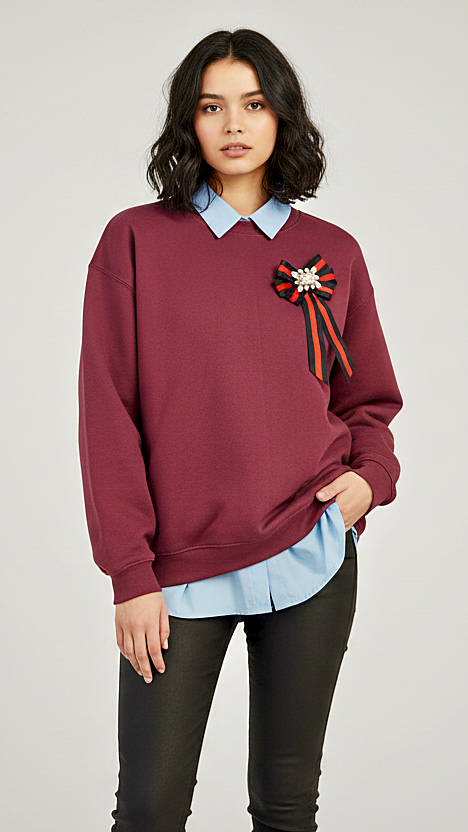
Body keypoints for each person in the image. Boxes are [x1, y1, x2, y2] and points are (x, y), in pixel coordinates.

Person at [78, 27, 403, 832]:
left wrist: (369, 481)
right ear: (187, 121)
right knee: (150, 810)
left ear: (281, 116)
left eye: (254, 105)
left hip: (312, 553)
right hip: (176, 570)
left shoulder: (333, 253)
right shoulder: (134, 241)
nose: (233, 124)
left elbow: (368, 401)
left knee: (287, 809)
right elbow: (107, 413)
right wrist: (131, 573)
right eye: (211, 106)